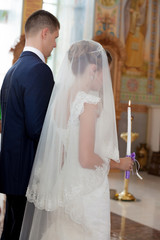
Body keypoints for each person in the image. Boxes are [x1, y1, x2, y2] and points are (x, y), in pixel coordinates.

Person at [20, 40, 133, 240]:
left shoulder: (60, 101)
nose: (105, 79)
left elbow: (63, 152)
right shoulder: (88, 102)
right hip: (86, 190)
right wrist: (120, 163)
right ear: (92, 69)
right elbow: (86, 158)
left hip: (65, 184)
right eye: (104, 72)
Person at [0, 9, 60, 240]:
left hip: (13, 168)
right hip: (29, 172)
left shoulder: (13, 69)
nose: (55, 44)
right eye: (55, 37)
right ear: (45, 33)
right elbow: (38, 127)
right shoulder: (39, 70)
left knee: (11, 230)